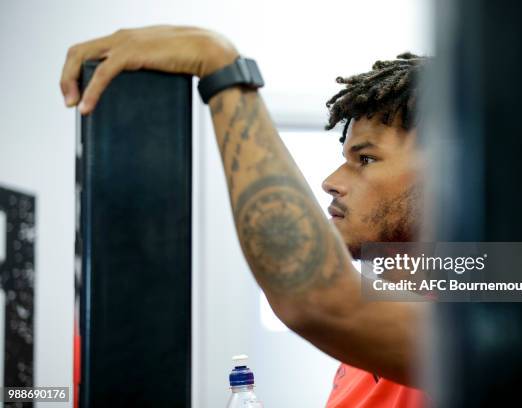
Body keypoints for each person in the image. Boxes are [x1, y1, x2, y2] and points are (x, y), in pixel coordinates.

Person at [60, 25, 428, 408]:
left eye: (366, 159)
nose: (331, 182)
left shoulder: (490, 296)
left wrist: (222, 70)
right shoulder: (381, 324)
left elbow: (317, 297)